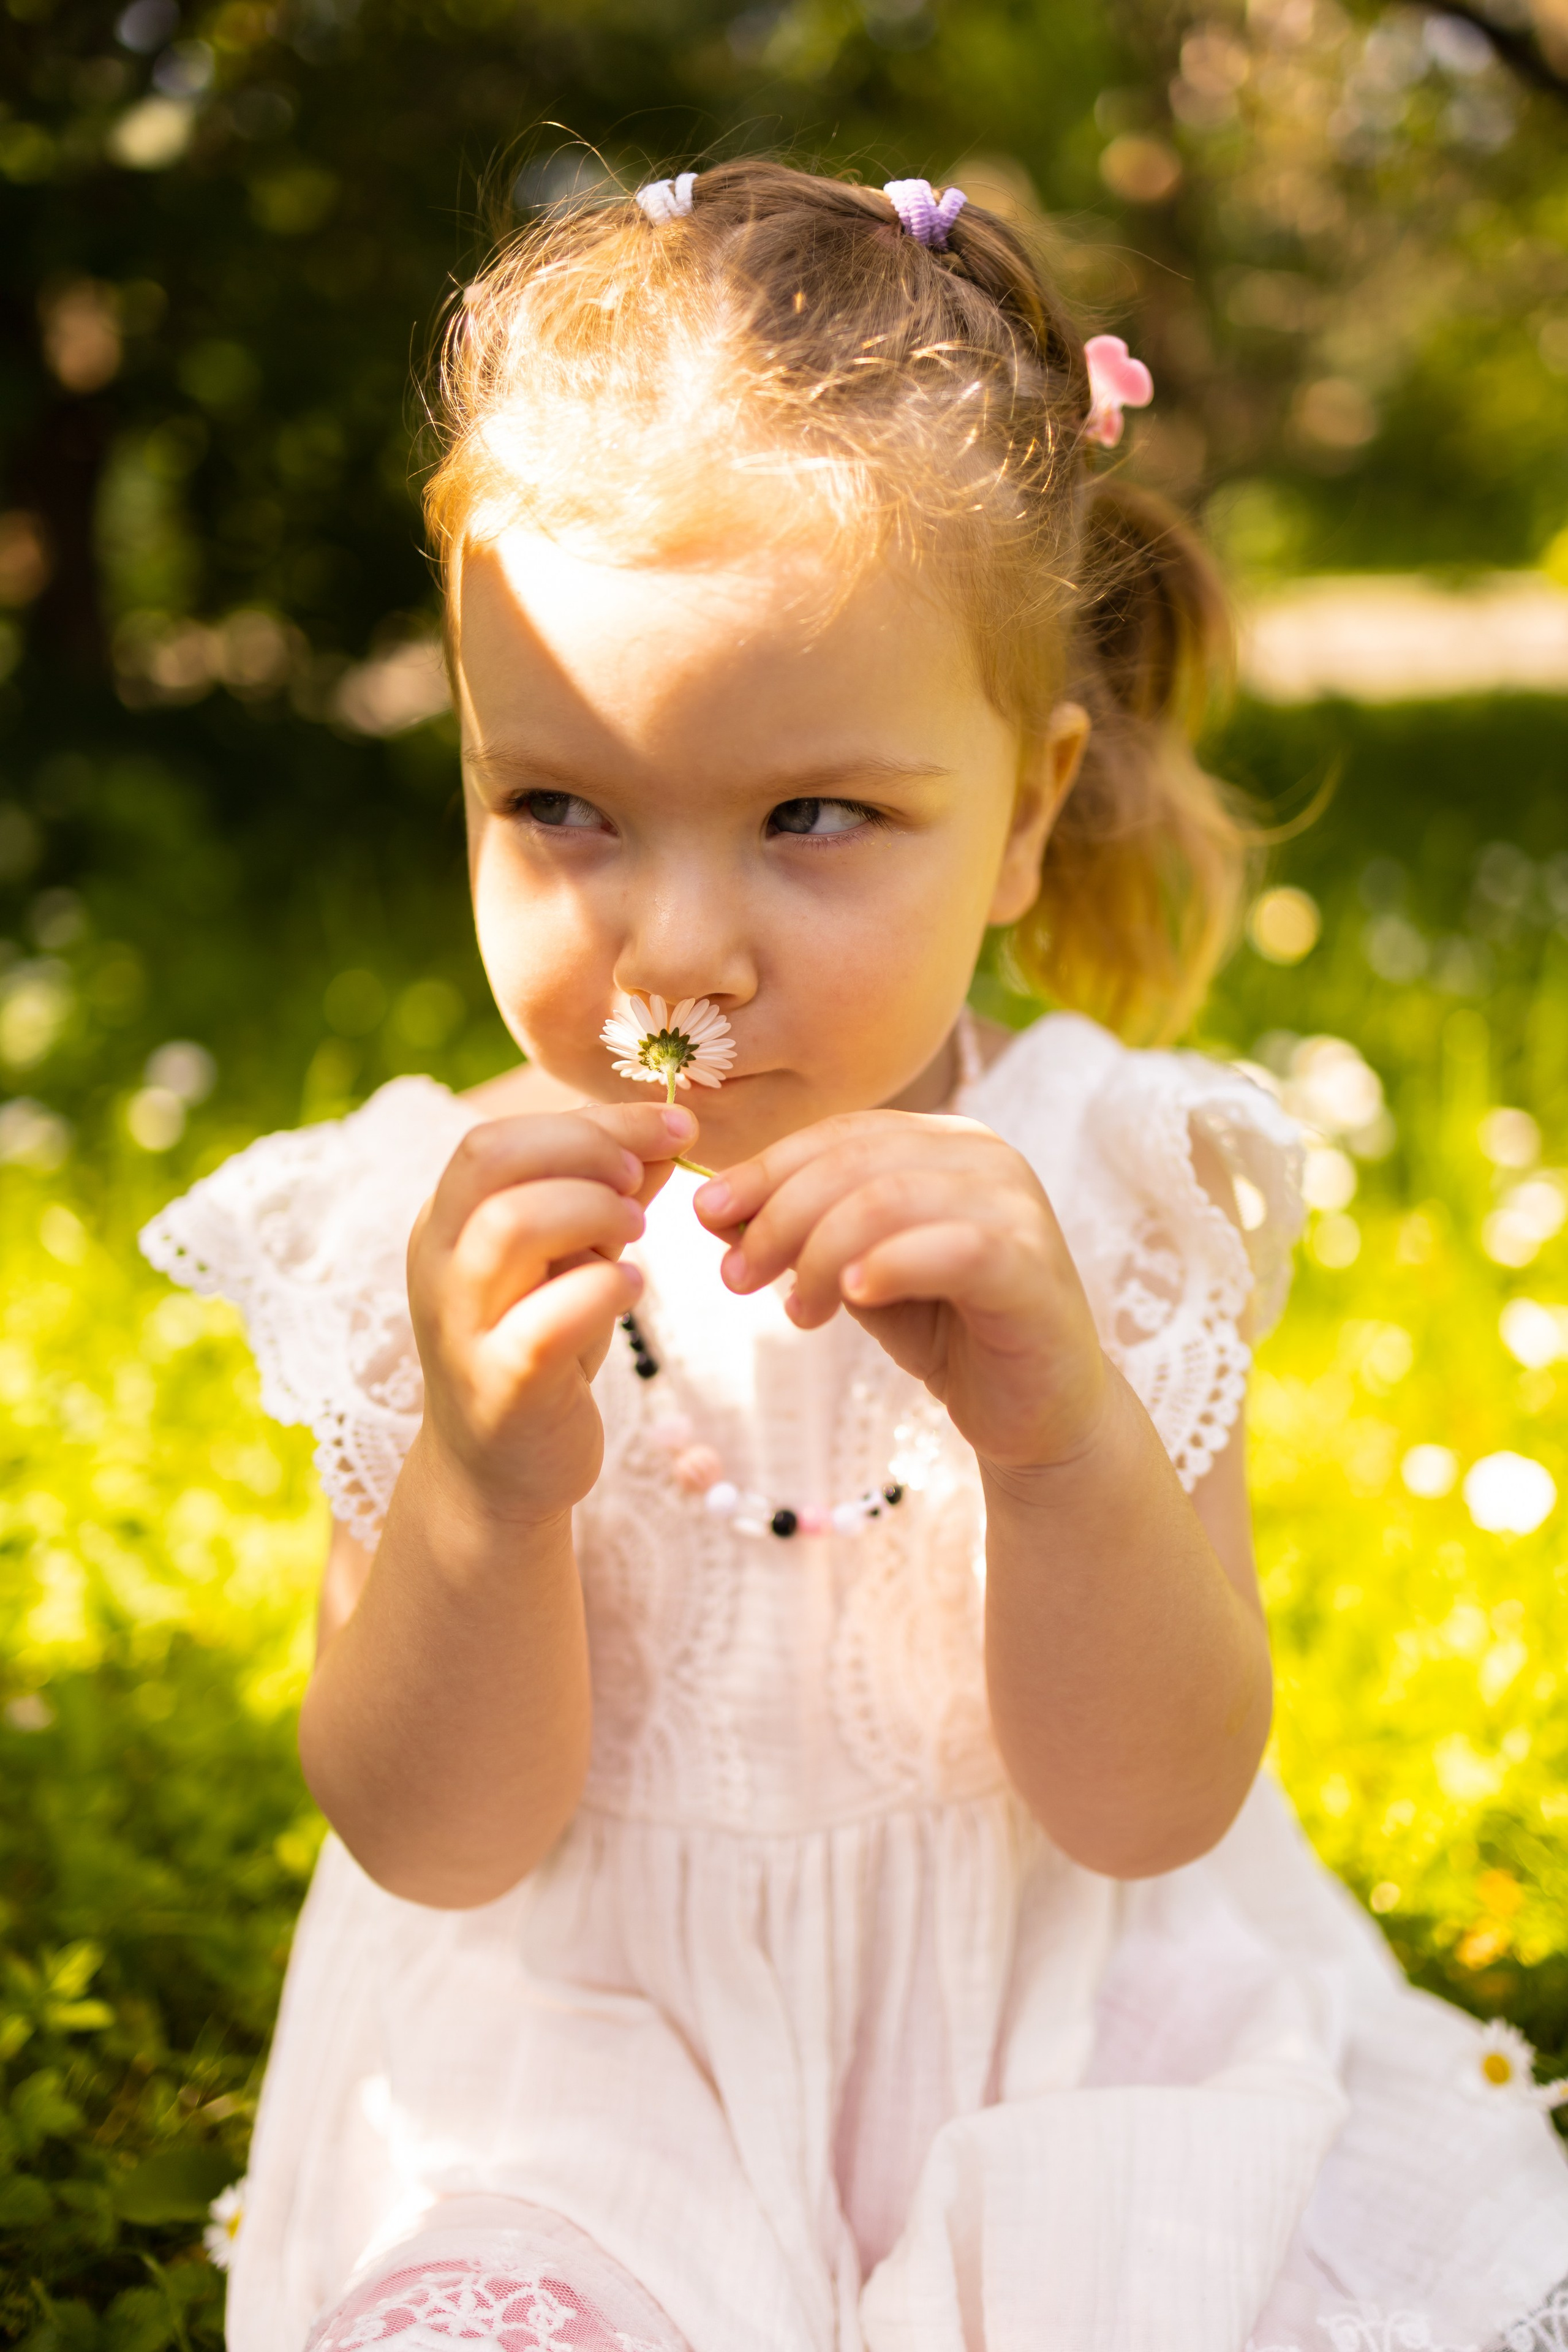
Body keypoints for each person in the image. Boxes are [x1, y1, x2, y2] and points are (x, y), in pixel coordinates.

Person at [142, 160, 1568, 2352]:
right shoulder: (426, 1229)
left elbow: (1153, 1805)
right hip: (585, 2070)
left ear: (1021, 816)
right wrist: (479, 1496)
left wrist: (1069, 1437)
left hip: (1053, 2024)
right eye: (558, 807)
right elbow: (432, 1839)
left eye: (813, 819)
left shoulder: (1099, 1185)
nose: (676, 947)